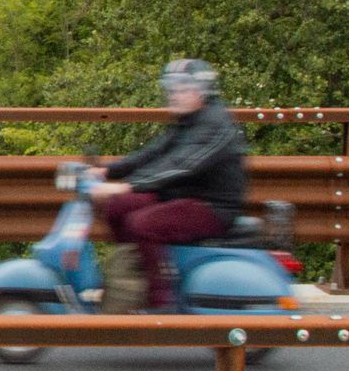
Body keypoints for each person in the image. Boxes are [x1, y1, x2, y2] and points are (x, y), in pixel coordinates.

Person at [89, 59, 248, 311]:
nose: (174, 94)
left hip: (211, 207)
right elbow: (153, 153)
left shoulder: (215, 125)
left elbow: (180, 165)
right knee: (117, 208)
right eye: (171, 88)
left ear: (202, 90)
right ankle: (132, 280)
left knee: (142, 224)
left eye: (182, 88)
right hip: (183, 196)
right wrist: (108, 170)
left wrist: (126, 186)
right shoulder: (188, 120)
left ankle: (162, 300)